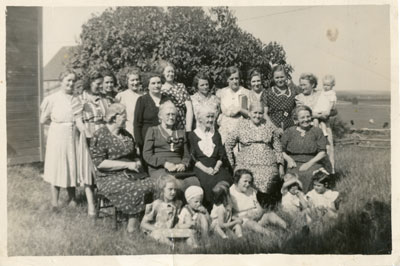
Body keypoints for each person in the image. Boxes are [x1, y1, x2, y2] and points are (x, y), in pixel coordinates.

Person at [89, 103, 155, 233]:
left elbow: (134, 154)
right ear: (114, 117)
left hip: (131, 173)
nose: (126, 119)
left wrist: (137, 162)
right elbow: (100, 163)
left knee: (153, 184)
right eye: (124, 116)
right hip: (108, 177)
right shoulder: (100, 135)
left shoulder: (126, 134)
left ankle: (148, 222)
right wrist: (126, 164)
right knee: (136, 188)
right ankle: (132, 227)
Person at [40, 70, 85, 210]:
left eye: (73, 81)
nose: (71, 83)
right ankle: (55, 202)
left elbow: (79, 120)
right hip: (57, 136)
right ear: (61, 81)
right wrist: (57, 126)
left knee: (71, 165)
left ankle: (73, 199)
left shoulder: (76, 99)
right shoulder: (52, 98)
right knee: (57, 166)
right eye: (68, 80)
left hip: (72, 136)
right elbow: (43, 119)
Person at [225, 102, 284, 207]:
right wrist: (233, 164)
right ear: (249, 113)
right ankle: (249, 206)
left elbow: (278, 147)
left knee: (270, 177)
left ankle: (267, 206)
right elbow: (228, 144)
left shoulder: (268, 126)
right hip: (246, 164)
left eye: (260, 113)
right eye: (255, 113)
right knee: (246, 178)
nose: (258, 116)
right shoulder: (241, 126)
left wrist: (281, 166)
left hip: (268, 165)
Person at [143, 101, 200, 190]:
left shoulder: (181, 132)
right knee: (171, 184)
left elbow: (186, 154)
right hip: (159, 168)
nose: (171, 117)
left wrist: (183, 164)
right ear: (160, 116)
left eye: (173, 114)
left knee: (194, 183)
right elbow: (147, 155)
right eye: (168, 114)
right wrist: (165, 163)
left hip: (178, 168)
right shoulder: (153, 131)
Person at [188, 105, 233, 210]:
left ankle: (226, 209)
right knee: (208, 182)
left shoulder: (216, 135)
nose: (211, 119)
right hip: (201, 166)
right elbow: (192, 156)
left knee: (226, 178)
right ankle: (212, 210)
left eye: (212, 117)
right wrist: (205, 169)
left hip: (215, 165)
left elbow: (221, 154)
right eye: (208, 117)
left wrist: (217, 167)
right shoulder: (193, 135)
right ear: (200, 119)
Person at [140, 174, 198, 247]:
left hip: (169, 231)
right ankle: (173, 247)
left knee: (190, 232)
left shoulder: (177, 204)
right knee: (158, 235)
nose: (173, 192)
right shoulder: (157, 204)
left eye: (175, 189)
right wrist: (156, 229)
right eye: (170, 189)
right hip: (156, 232)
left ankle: (195, 248)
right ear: (162, 189)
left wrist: (185, 225)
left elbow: (176, 222)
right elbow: (143, 224)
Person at [295, 73, 335, 173]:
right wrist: (319, 115)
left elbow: (334, 109)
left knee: (326, 150)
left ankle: (328, 176)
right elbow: (301, 113)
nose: (302, 87)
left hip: (323, 127)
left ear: (312, 85)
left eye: (304, 84)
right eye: (301, 84)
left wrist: (328, 113)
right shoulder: (299, 98)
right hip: (307, 128)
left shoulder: (322, 94)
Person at [281, 105, 327, 192]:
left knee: (314, 176)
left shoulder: (317, 131)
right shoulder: (289, 131)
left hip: (313, 162)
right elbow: (281, 150)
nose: (306, 119)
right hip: (294, 163)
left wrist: (308, 164)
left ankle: (312, 200)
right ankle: (294, 201)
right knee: (292, 178)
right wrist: (289, 159)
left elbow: (323, 152)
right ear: (296, 120)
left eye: (308, 116)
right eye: (302, 117)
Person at [229, 169, 287, 236]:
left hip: (256, 217)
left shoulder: (251, 190)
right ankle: (271, 235)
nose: (247, 184)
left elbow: (259, 207)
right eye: (245, 181)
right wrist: (245, 216)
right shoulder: (230, 193)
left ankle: (286, 228)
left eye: (249, 182)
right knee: (251, 223)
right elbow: (229, 216)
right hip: (243, 222)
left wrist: (259, 213)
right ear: (237, 181)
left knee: (270, 214)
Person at [216, 66, 251, 143]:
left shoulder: (246, 92)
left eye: (236, 78)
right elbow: (217, 112)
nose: (234, 81)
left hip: (241, 128)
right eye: (231, 79)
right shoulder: (221, 93)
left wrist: (240, 109)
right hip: (225, 130)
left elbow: (252, 114)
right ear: (227, 80)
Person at [261, 65, 298, 130]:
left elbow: (296, 112)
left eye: (282, 77)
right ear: (273, 78)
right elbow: (264, 114)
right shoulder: (267, 93)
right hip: (272, 128)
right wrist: (275, 129)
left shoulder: (293, 92)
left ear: (286, 77)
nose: (280, 80)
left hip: (290, 128)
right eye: (277, 78)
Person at [159, 61, 193, 132]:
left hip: (181, 123)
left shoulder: (181, 86)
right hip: (167, 122)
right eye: (168, 72)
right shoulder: (160, 89)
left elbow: (189, 107)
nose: (171, 74)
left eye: (172, 72)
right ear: (163, 73)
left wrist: (188, 127)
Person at [313, 75, 337, 173]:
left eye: (328, 85)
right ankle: (316, 130)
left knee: (322, 122)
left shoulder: (331, 93)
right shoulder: (322, 92)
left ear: (332, 85)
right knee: (316, 119)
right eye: (324, 85)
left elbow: (332, 104)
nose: (326, 87)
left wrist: (328, 110)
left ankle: (330, 171)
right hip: (318, 109)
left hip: (324, 110)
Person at [134, 72, 162, 155]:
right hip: (147, 140)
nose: (156, 85)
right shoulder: (142, 100)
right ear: (148, 85)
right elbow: (137, 123)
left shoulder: (167, 99)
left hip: (164, 141)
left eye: (158, 83)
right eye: (153, 83)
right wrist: (139, 143)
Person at [115, 67, 144, 136]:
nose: (135, 82)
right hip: (128, 131)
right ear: (127, 81)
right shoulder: (121, 96)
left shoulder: (144, 95)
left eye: (137, 80)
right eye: (132, 80)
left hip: (142, 131)